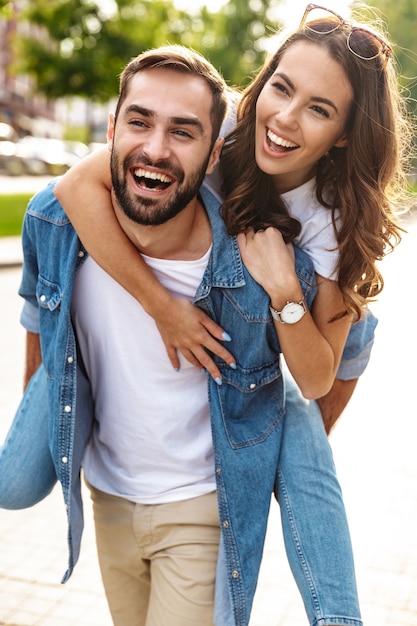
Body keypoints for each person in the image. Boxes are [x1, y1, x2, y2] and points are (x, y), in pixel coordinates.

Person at [1, 42, 367, 626]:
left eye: (320, 109)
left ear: (345, 132)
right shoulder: (231, 131)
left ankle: (338, 614)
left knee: (298, 421)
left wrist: (284, 294)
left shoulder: (336, 220)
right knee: (14, 483)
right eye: (282, 88)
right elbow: (71, 190)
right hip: (113, 493)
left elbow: (322, 372)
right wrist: (162, 308)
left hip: (301, 315)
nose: (287, 118)